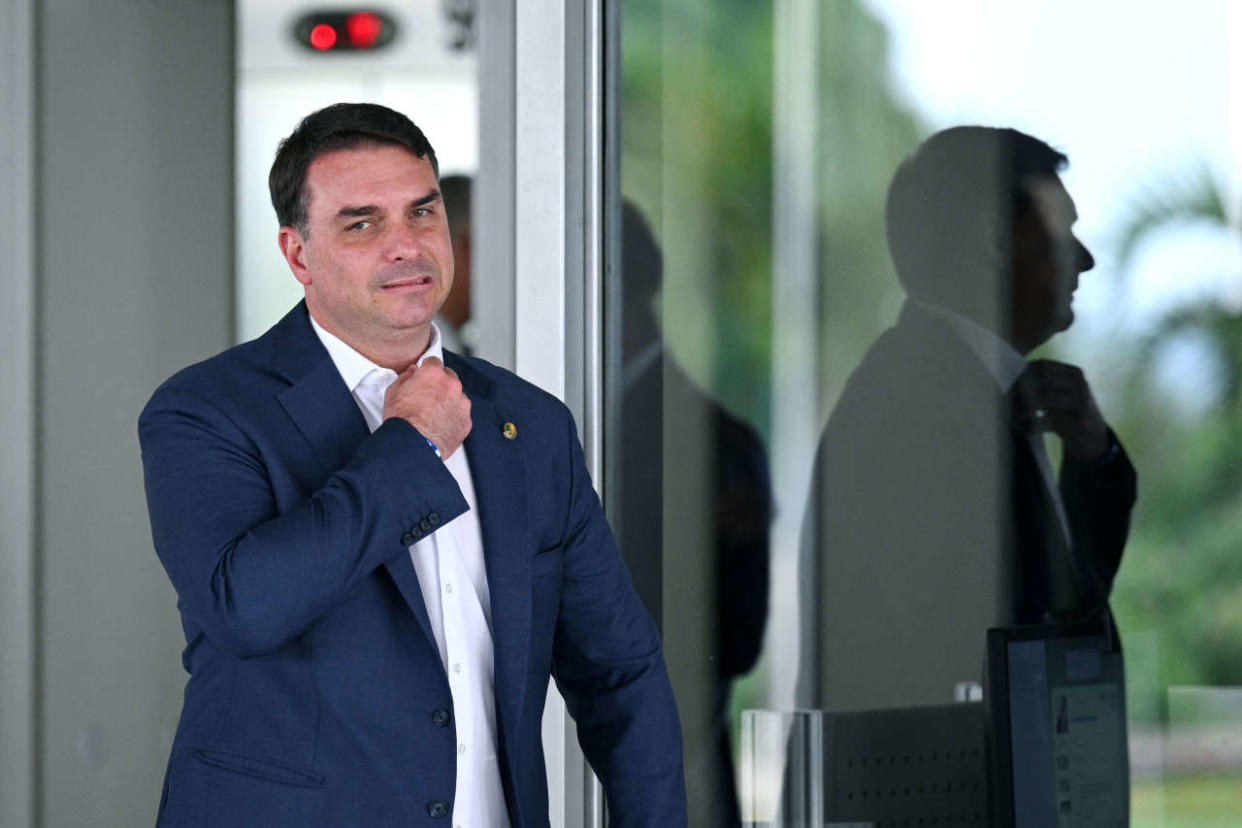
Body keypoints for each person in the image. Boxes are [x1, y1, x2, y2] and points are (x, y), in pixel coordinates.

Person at [139, 102, 686, 826]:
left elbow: (620, 671)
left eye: (422, 213)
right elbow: (247, 607)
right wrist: (412, 444)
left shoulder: (532, 425)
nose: (406, 245)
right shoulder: (205, 411)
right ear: (298, 254)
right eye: (362, 224)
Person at [804, 126, 1137, 711]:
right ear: (995, 240)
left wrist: (1092, 457)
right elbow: (1015, 641)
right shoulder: (919, 411)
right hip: (937, 794)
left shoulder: (959, 393)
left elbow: (1060, 604)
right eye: (1064, 232)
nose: (1084, 259)